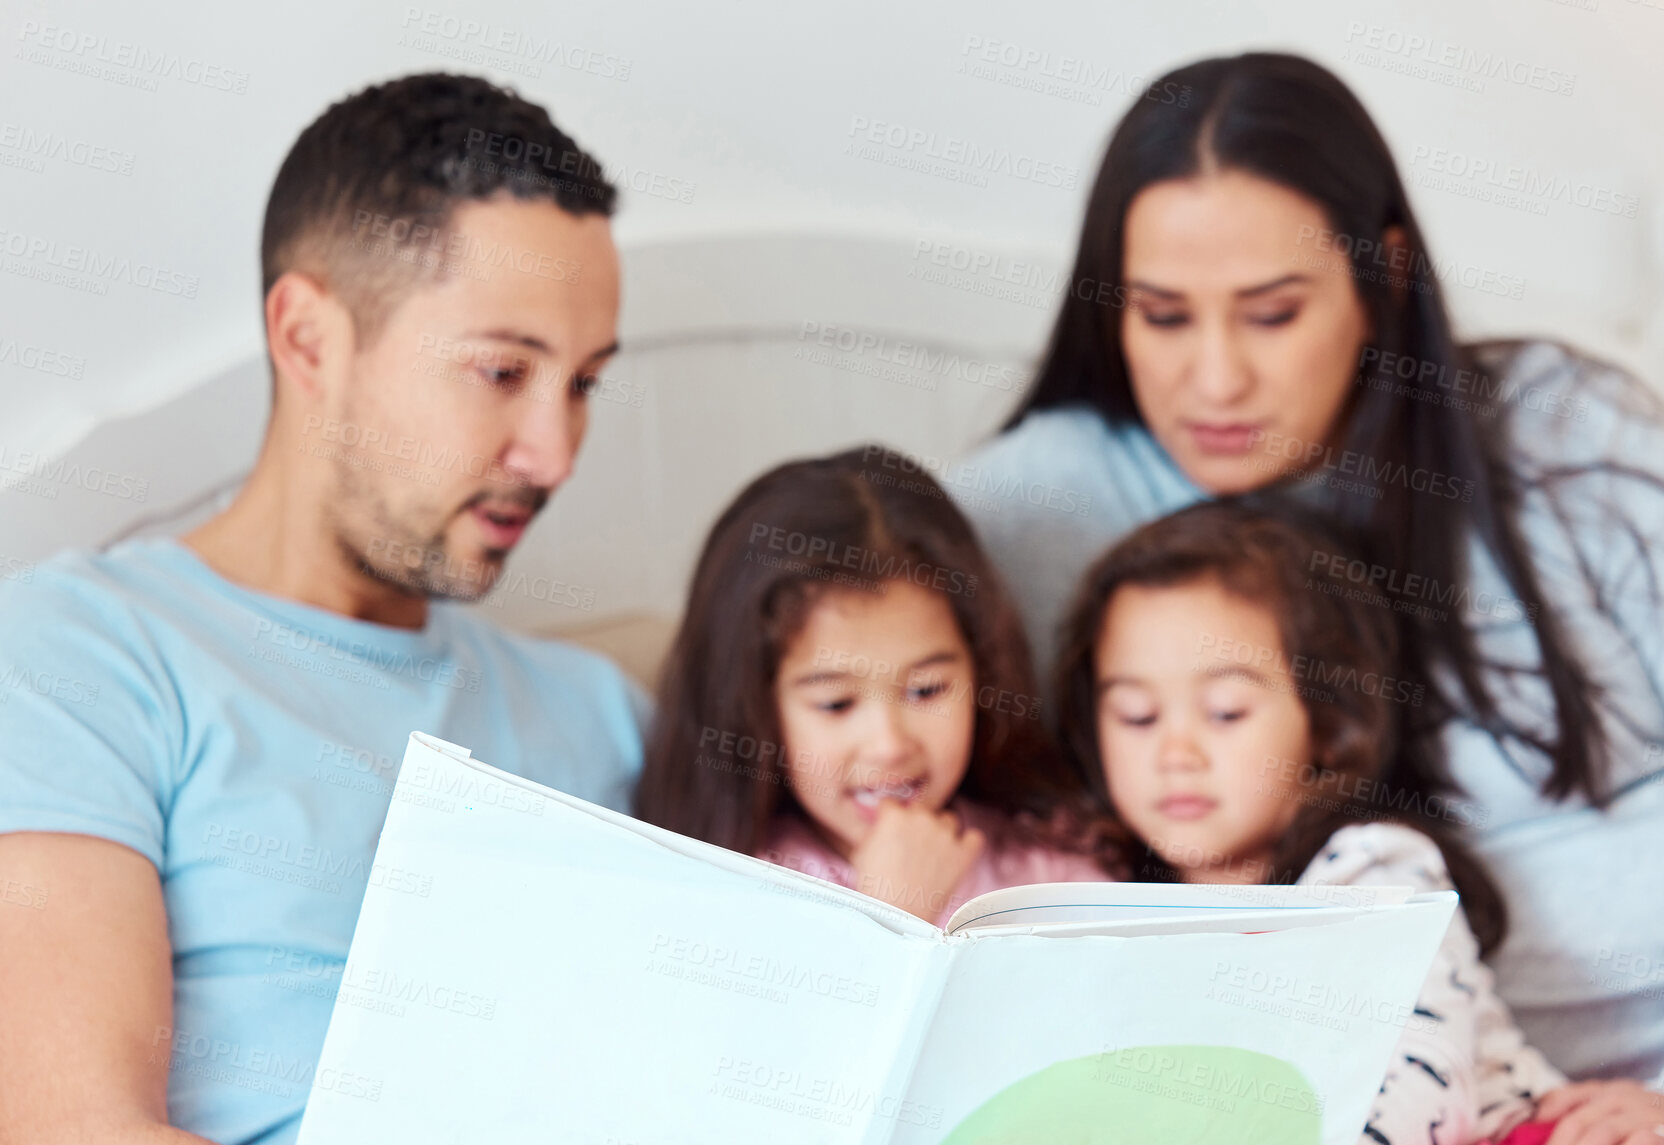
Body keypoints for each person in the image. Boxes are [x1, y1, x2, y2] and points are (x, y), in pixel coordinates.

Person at [951, 51, 1664, 1143]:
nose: (1215, 379)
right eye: (1163, 316)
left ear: (1383, 276)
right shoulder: (1045, 505)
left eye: (1273, 313)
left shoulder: (1566, 433)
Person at [0, 74, 645, 1145]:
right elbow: (68, 1125)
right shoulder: (80, 656)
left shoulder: (607, 715)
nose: (555, 452)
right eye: (501, 371)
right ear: (309, 338)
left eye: (583, 383)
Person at [1054, 500, 1565, 1145]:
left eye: (1225, 711)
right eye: (1136, 716)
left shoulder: (1375, 870)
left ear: (1327, 725)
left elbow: (1415, 1095)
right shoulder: (1109, 904)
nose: (1174, 754)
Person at [634, 445, 1111, 926]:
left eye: (926, 691)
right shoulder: (730, 891)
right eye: (836, 703)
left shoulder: (1052, 869)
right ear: (755, 708)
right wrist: (892, 914)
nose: (890, 745)